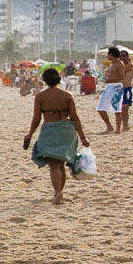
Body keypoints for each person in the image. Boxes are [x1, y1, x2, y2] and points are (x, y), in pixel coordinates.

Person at [25, 66, 90, 204]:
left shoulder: (40, 97)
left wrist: (29, 135)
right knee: (60, 164)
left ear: (44, 81)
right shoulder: (67, 96)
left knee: (53, 165)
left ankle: (57, 192)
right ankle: (59, 191)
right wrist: (83, 137)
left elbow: (36, 119)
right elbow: (74, 117)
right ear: (59, 79)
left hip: (50, 130)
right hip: (67, 130)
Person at [106, 46, 133, 134]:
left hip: (127, 89)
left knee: (125, 108)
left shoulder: (129, 65)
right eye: (121, 56)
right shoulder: (118, 65)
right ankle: (123, 125)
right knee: (120, 109)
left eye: (124, 56)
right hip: (119, 89)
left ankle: (125, 125)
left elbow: (119, 73)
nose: (122, 58)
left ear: (127, 57)